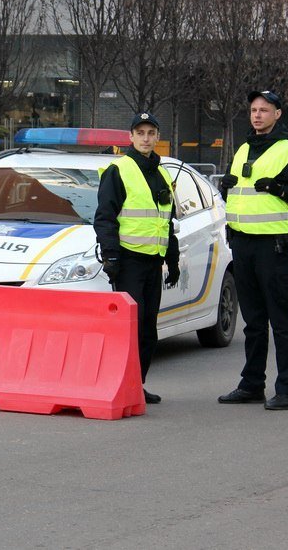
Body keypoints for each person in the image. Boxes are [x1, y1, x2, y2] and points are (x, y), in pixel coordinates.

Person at [218, 90, 288, 411]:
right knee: (252, 321)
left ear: (277, 114)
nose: (257, 115)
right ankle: (252, 384)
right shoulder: (244, 149)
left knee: (280, 319)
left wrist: (281, 188)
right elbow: (242, 194)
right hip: (242, 243)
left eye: (264, 110)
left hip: (272, 246)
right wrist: (227, 186)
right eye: (253, 110)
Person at [94, 112, 180, 405]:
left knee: (148, 329)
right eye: (140, 132)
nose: (145, 138)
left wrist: (174, 258)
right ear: (130, 137)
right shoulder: (119, 170)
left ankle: (137, 384)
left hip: (153, 262)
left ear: (157, 137)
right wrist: (111, 257)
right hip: (128, 261)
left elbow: (165, 220)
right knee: (130, 328)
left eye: (150, 133)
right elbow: (105, 218)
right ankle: (121, 386)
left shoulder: (162, 173)